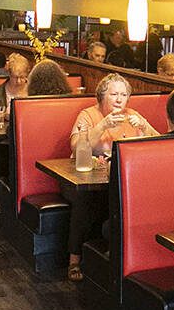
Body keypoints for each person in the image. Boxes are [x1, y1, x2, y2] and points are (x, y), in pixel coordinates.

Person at [66, 74, 159, 280]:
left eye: (124, 95)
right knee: (85, 200)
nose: (119, 99)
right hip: (86, 180)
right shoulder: (88, 115)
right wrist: (103, 126)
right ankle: (74, 260)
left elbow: (160, 144)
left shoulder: (133, 115)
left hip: (120, 181)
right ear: (101, 96)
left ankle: (118, 261)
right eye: (114, 94)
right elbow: (76, 147)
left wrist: (144, 126)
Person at [0, 53, 32, 124]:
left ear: (27, 74)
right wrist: (1, 117)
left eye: (22, 77)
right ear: (9, 74)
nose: (18, 81)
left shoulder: (34, 90)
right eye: (15, 77)